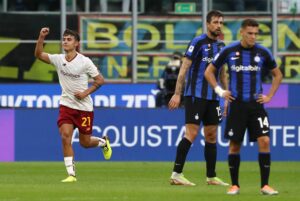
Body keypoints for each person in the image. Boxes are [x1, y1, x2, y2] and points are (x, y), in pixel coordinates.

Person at [205, 18, 282, 195]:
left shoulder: (263, 52)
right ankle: (235, 185)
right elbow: (209, 71)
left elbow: (277, 75)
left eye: (256, 33)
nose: (253, 37)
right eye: (250, 33)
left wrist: (269, 96)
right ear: (241, 32)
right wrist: (220, 91)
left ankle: (265, 185)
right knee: (234, 145)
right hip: (236, 105)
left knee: (265, 141)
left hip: (256, 106)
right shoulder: (229, 50)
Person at [34, 27, 112, 182]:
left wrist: (85, 93)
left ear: (76, 43)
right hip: (66, 106)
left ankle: (103, 142)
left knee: (85, 142)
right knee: (65, 136)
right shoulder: (58, 59)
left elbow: (100, 80)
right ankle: (71, 174)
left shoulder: (85, 62)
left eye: (69, 39)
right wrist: (41, 37)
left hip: (84, 108)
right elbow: (38, 54)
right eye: (64, 39)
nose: (65, 42)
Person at [168, 10, 228, 186]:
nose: (218, 26)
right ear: (208, 24)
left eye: (221, 22)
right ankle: (176, 174)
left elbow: (223, 73)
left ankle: (211, 176)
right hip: (195, 95)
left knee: (211, 135)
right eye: (215, 22)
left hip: (213, 98)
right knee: (191, 133)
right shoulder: (198, 42)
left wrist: (225, 95)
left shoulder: (222, 46)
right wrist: (177, 93)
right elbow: (184, 68)